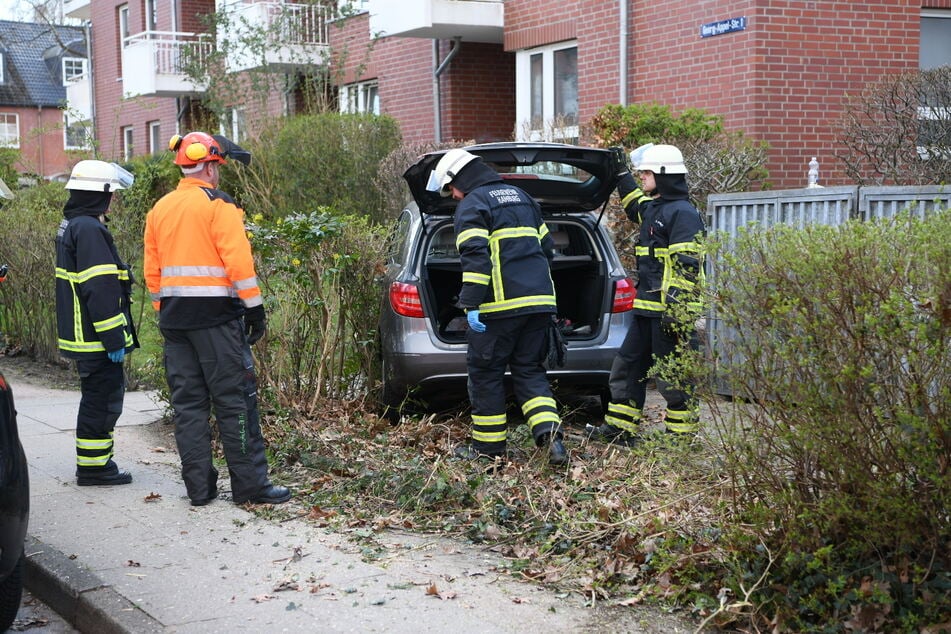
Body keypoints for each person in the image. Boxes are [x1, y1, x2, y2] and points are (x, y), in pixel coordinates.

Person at [144, 131, 290, 506]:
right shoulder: (217, 204)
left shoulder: (159, 209)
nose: (219, 174)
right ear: (208, 166)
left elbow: (152, 273)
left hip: (175, 324)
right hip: (217, 322)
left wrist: (168, 311)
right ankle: (251, 486)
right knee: (234, 401)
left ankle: (199, 489)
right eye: (218, 167)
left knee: (188, 406)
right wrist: (254, 308)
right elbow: (238, 261)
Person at [426, 148, 567, 466]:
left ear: (458, 179)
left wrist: (471, 303)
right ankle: (551, 440)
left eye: (451, 189)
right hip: (540, 304)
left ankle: (488, 451)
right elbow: (548, 251)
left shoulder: (473, 204)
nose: (453, 196)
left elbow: (476, 259)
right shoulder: (522, 197)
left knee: (486, 374)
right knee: (530, 372)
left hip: (499, 310)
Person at [587, 144, 705, 445]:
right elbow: (633, 205)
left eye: (646, 173)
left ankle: (680, 440)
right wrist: (622, 173)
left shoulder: (683, 213)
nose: (642, 177)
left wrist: (675, 312)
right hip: (646, 310)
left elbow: (687, 266)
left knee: (673, 377)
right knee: (627, 367)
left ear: (664, 174)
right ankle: (620, 431)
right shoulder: (656, 208)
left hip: (668, 312)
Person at [55, 160, 138, 485]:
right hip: (96, 339)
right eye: (111, 194)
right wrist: (114, 339)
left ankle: (95, 462)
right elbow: (99, 288)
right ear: (99, 195)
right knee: (102, 401)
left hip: (84, 336)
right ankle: (94, 468)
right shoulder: (89, 229)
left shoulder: (73, 224)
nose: (113, 200)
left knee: (96, 398)